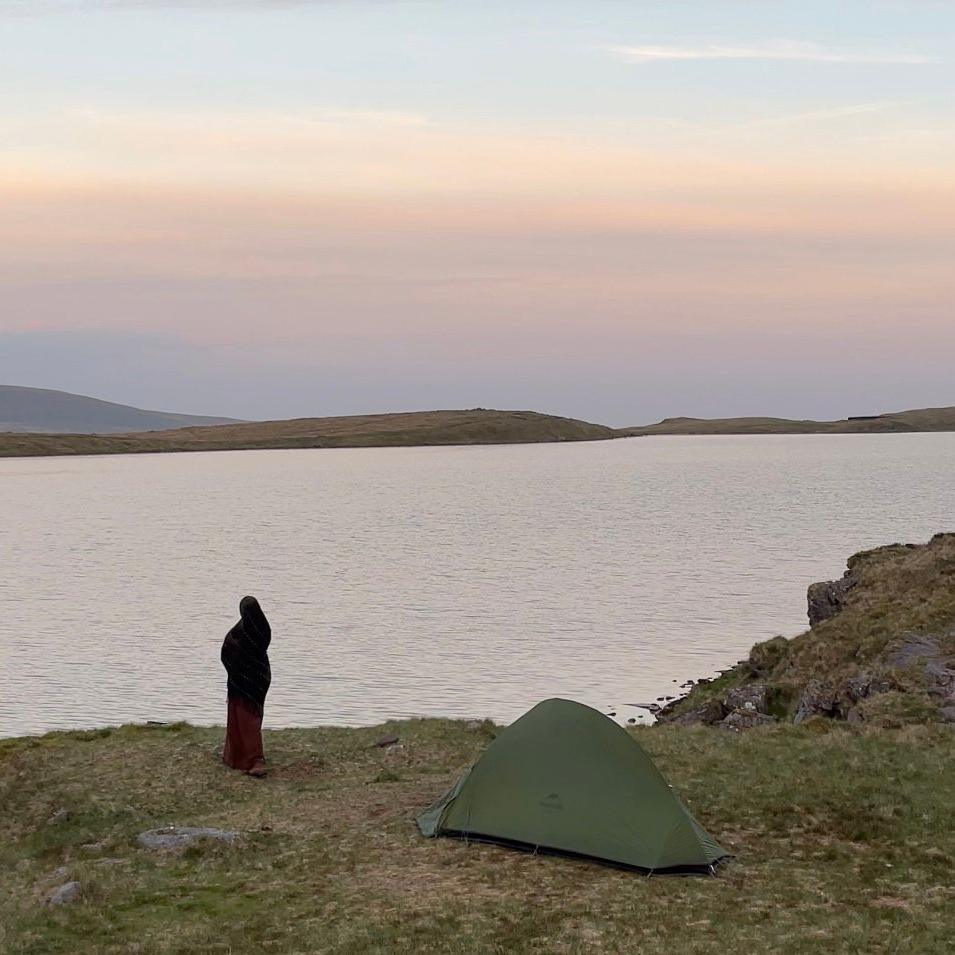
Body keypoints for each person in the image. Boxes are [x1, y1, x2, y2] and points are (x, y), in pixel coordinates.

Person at [221, 595, 272, 777]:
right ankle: (236, 756)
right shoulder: (260, 628)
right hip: (249, 681)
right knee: (242, 718)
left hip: (251, 683)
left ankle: (254, 759)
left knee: (248, 720)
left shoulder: (251, 630)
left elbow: (232, 650)